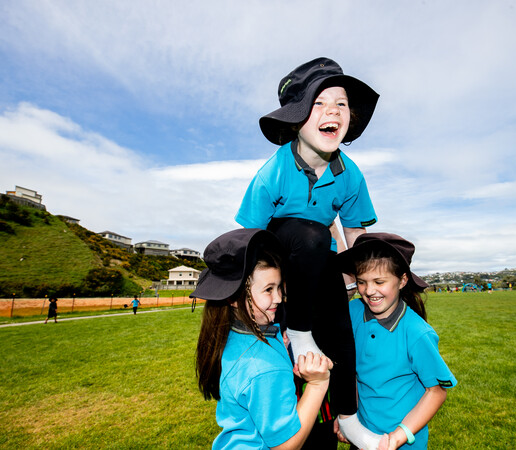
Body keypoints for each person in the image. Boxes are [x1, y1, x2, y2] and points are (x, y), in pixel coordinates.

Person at [235, 57, 380, 446]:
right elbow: (249, 238)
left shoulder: (350, 175)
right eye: (319, 102)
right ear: (297, 118)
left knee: (341, 331)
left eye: (341, 103)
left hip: (321, 266)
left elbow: (354, 238)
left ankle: (347, 416)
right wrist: (262, 295)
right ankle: (298, 332)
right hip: (279, 265)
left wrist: (359, 286)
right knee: (311, 233)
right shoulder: (272, 173)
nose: (332, 109)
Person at [195, 228, 333, 449]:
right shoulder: (263, 367)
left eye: (279, 287)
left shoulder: (233, 335)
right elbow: (287, 445)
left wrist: (279, 344)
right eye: (268, 289)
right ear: (233, 297)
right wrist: (318, 384)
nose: (279, 298)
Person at [337, 233, 457, 449]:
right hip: (361, 436)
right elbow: (351, 370)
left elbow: (436, 392)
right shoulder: (352, 312)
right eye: (362, 282)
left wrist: (398, 437)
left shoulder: (417, 333)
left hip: (401, 443)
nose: (369, 291)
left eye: (379, 282)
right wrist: (346, 417)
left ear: (402, 280)